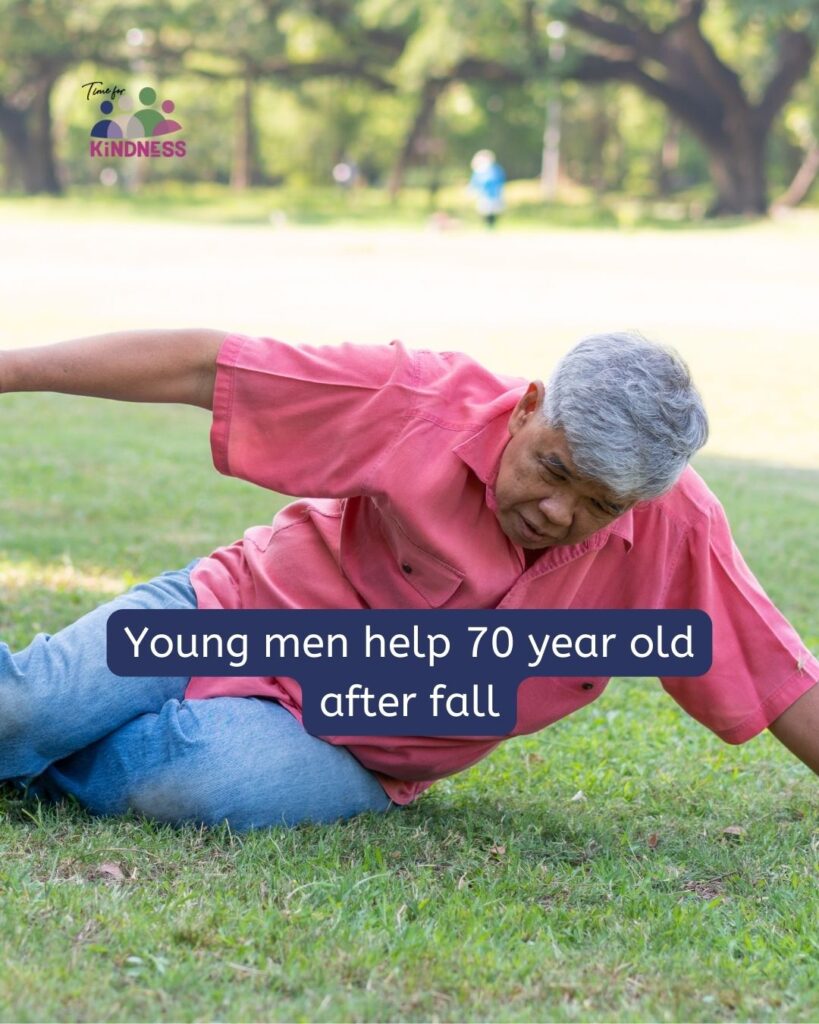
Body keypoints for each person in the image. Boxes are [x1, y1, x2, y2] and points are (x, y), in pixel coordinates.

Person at [0, 329, 817, 831]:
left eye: (598, 505)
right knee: (26, 705)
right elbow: (205, 368)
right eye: (552, 470)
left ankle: (41, 754)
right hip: (232, 609)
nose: (557, 512)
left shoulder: (676, 525)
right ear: (528, 406)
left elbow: (776, 674)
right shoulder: (418, 399)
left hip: (346, 741)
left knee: (189, 788)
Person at [469, 150, 506, 227]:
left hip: (494, 194)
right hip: (483, 194)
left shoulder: (495, 169)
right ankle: (487, 226)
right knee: (484, 211)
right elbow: (475, 182)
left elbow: (499, 179)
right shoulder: (478, 171)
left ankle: (491, 226)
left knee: (493, 211)